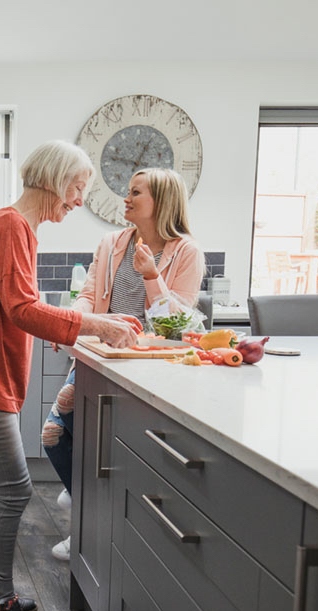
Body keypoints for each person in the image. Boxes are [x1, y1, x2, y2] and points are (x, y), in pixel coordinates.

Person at [0, 140, 141, 611]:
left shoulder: (10, 225)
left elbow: (15, 308)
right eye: (77, 187)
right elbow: (23, 308)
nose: (78, 200)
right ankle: (1, 607)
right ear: (54, 179)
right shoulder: (12, 227)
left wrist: (68, 325)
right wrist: (92, 323)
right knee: (13, 491)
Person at [44, 167, 205, 561]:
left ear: (161, 201)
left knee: (115, 453)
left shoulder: (186, 252)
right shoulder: (112, 242)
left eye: (136, 193)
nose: (126, 199)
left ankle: (90, 528)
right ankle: (84, 502)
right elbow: (87, 295)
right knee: (52, 435)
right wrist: (69, 325)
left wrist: (152, 274)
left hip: (148, 366)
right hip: (101, 354)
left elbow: (177, 323)